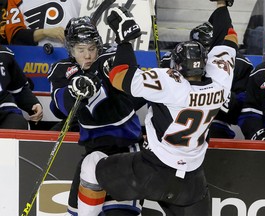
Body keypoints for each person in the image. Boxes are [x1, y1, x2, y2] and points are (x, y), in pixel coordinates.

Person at [77, 5, 237, 216]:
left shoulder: (172, 83)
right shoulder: (220, 79)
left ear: (178, 68)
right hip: (192, 185)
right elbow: (229, 36)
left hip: (151, 173)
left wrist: (124, 41)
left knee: (91, 163)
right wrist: (222, 5)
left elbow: (119, 76)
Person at [47, 16, 146, 215]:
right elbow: (60, 106)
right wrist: (74, 92)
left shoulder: (108, 59)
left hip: (126, 151)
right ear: (71, 50)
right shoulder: (62, 70)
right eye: (81, 50)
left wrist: (123, 47)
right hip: (92, 153)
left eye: (91, 48)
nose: (88, 55)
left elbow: (137, 88)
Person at [161, 1, 254, 139]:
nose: (200, 51)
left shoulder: (237, 62)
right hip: (178, 116)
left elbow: (242, 105)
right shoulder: (173, 58)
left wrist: (222, 96)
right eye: (196, 46)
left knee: (215, 130)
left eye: (205, 46)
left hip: (215, 119)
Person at [0, 0, 81, 46]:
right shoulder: (16, 1)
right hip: (34, 60)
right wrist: (45, 32)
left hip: (75, 55)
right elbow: (15, 37)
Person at [0, 45, 43, 129]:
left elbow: (18, 88)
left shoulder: (4, 53)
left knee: (18, 124)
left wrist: (33, 104)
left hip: (5, 110)